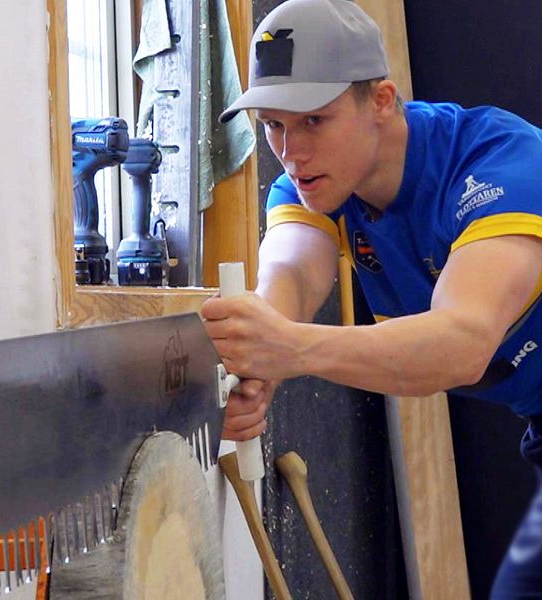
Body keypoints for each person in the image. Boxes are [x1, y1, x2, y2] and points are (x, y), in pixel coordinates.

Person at [201, 0, 542, 595]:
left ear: (381, 101)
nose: (292, 150)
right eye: (274, 125)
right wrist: (256, 371)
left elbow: (462, 343)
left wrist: (291, 349)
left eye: (314, 120)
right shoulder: (315, 186)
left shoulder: (499, 166)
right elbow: (290, 279)